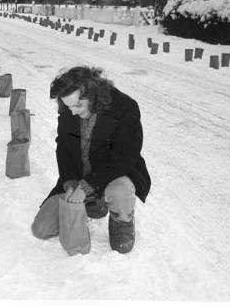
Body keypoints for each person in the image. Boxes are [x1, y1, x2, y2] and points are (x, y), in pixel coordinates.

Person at [31, 66, 151, 254]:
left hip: (115, 174)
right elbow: (63, 147)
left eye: (77, 106)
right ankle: (94, 203)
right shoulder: (69, 110)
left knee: (120, 191)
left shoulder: (124, 107)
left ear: (93, 94)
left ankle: (122, 218)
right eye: (68, 107)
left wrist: (86, 186)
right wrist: (70, 182)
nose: (72, 112)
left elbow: (125, 157)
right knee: (41, 229)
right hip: (81, 176)